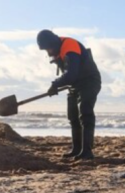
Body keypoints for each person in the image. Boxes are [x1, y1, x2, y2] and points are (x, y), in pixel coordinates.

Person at [37, 29, 102, 160]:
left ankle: (87, 152)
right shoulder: (58, 50)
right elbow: (70, 76)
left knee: (85, 112)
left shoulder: (70, 46)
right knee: (73, 117)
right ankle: (76, 149)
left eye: (48, 49)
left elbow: (71, 74)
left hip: (90, 82)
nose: (48, 52)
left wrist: (55, 84)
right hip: (74, 86)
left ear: (53, 43)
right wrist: (57, 85)